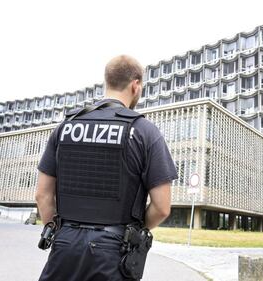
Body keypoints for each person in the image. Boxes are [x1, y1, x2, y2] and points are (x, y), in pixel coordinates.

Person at [35, 55, 178, 281]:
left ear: (107, 82)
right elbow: (162, 207)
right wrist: (135, 232)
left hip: (64, 245)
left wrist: (62, 232)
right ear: (136, 84)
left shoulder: (66, 127)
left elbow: (42, 195)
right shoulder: (144, 131)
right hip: (113, 252)